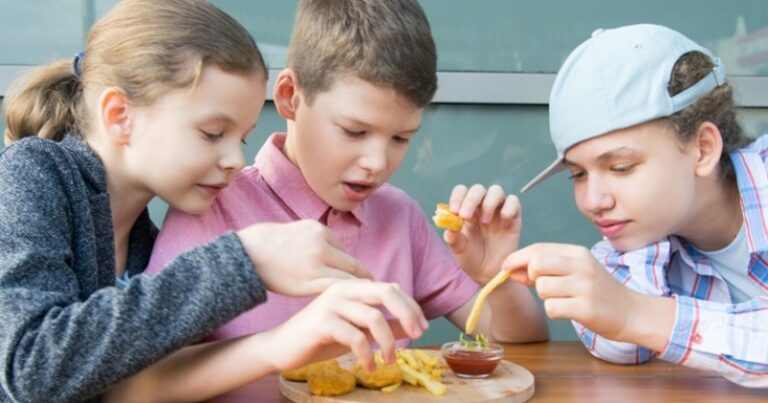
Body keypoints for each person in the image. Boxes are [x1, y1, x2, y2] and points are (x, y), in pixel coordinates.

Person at [0, 1, 428, 401]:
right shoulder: (31, 173)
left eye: (241, 138)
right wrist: (245, 260)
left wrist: (288, 342)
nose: (235, 160)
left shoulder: (145, 241)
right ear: (120, 115)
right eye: (211, 133)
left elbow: (124, 386)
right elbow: (31, 368)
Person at [147, 0, 549, 346]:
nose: (377, 162)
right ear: (290, 97)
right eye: (354, 131)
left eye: (401, 138)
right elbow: (151, 373)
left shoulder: (398, 217)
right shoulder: (213, 206)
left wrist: (497, 278)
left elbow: (511, 343)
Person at [505, 24, 768, 387]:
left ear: (703, 149)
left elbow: (630, 319)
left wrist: (635, 312)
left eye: (621, 168)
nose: (594, 201)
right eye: (578, 175)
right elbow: (621, 346)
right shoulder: (637, 242)